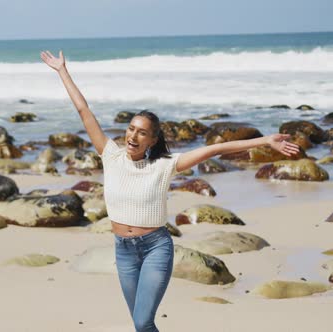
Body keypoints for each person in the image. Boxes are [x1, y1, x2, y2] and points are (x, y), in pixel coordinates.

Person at [40, 50, 299, 332]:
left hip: (155, 249)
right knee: (143, 326)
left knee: (142, 322)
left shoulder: (165, 165)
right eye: (130, 129)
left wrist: (266, 140)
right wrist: (62, 71)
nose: (133, 136)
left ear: (152, 140)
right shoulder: (110, 155)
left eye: (141, 132)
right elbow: (84, 111)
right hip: (123, 251)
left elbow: (215, 148)